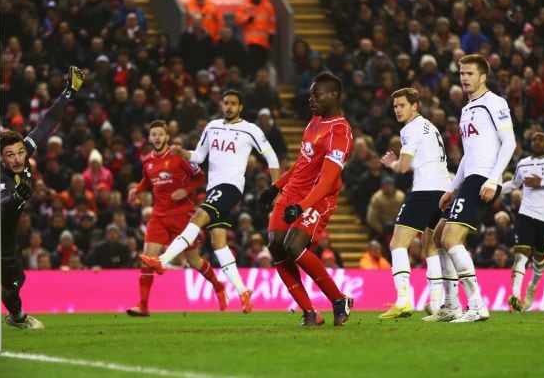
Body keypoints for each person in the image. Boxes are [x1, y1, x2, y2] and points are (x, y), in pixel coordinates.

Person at [0, 66, 85, 329]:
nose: (18, 159)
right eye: (10, 155)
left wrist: (69, 92)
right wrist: (16, 196)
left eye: (20, 153)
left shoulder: (25, 151)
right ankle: (16, 317)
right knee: (13, 283)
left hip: (10, 227)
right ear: (0, 157)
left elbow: (47, 124)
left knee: (11, 275)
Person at [140, 90, 280, 314]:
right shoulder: (211, 127)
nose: (229, 107)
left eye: (233, 104)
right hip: (214, 187)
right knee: (218, 243)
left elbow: (271, 156)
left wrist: (275, 189)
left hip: (231, 187)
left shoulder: (250, 129)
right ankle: (243, 291)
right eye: (226, 103)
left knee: (198, 216)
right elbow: (199, 156)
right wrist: (183, 152)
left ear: (240, 107)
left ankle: (163, 260)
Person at [257, 71, 354, 326]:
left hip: (318, 198)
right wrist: (275, 188)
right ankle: (311, 313)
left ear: (334, 96)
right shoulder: (314, 121)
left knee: (293, 245)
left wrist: (302, 206)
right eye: (311, 93)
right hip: (292, 193)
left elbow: (327, 180)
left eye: (316, 94)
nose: (311, 98)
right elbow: (303, 163)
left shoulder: (340, 132)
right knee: (276, 246)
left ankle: (338, 299)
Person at [429, 54, 516, 323]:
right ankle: (452, 305)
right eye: (461, 74)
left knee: (451, 239)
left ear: (483, 77)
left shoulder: (494, 102)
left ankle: (477, 304)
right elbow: (468, 154)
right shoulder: (467, 109)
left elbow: (509, 143)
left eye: (469, 74)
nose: (465, 78)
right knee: (439, 236)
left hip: (484, 180)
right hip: (470, 179)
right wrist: (452, 188)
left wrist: (492, 179)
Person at [126, 120, 227, 316]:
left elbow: (200, 178)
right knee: (148, 259)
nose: (157, 137)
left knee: (194, 261)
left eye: (160, 134)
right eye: (153, 134)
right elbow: (148, 181)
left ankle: (218, 286)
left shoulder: (179, 157)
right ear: (149, 138)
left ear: (167, 136)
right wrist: (136, 190)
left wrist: (186, 189)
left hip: (183, 215)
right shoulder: (147, 161)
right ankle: (143, 306)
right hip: (159, 215)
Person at [378, 88, 450, 318]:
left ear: (415, 106)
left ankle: (402, 301)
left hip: (425, 191)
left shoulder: (410, 128)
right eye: (395, 106)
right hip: (442, 190)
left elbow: (403, 166)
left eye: (402, 105)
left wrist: (391, 162)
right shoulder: (430, 126)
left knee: (397, 244)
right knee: (430, 247)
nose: (398, 110)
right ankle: (437, 305)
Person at [502, 131, 544, 312]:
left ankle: (532, 287)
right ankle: (516, 296)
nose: (537, 142)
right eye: (534, 139)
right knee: (520, 255)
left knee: (540, 259)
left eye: (541, 139)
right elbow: (514, 185)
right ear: (530, 143)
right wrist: (494, 189)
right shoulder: (523, 164)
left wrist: (543, 182)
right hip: (526, 214)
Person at [235, 0, 276, 77]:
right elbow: (238, 19)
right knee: (252, 66)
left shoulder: (268, 7)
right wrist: (247, 19)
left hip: (264, 43)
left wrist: (271, 39)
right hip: (250, 42)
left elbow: (272, 24)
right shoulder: (244, 5)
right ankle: (252, 82)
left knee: (260, 66)